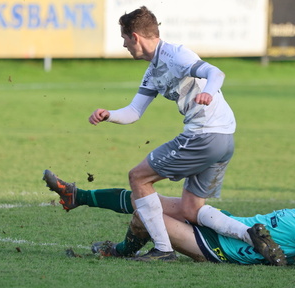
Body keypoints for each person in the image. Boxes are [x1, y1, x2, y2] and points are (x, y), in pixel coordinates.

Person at [84, 6, 262, 261]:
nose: (124, 46)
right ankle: (249, 235)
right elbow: (134, 111)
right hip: (224, 139)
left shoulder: (176, 55)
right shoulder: (153, 70)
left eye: (124, 39)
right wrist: (108, 114)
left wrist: (208, 93)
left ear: (135, 36)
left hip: (204, 135)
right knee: (191, 209)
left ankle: (163, 249)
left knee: (138, 178)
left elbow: (215, 72)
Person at [43, 163, 295, 270]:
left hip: (219, 249)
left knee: (144, 210)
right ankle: (77, 196)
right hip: (223, 226)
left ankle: (119, 250)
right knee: (147, 198)